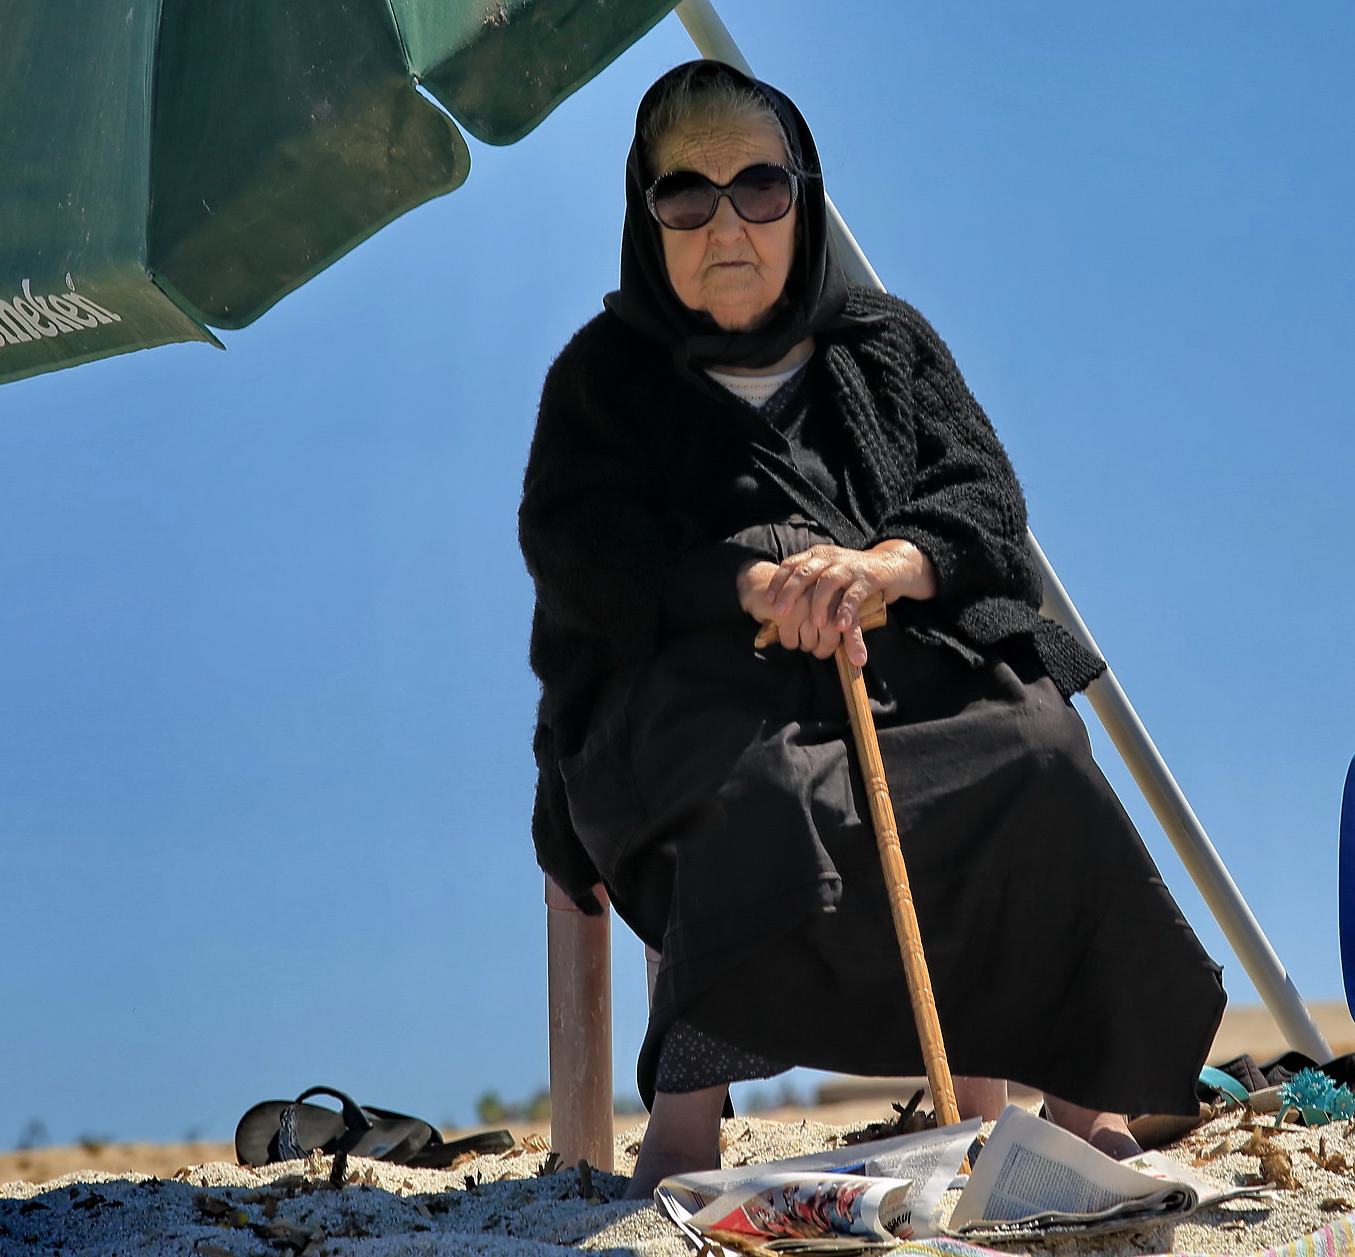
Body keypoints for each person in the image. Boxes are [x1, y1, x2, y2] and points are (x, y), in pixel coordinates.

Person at [519, 60, 1224, 1195]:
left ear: (806, 200)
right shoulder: (603, 377)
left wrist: (888, 567)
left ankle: (1079, 1106)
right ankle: (688, 1122)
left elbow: (986, 499)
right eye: (685, 197)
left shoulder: (884, 344)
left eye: (759, 189)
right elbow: (583, 554)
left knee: (1039, 751)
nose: (727, 224)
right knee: (754, 794)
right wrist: (750, 587)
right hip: (697, 696)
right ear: (646, 218)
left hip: (902, 671)